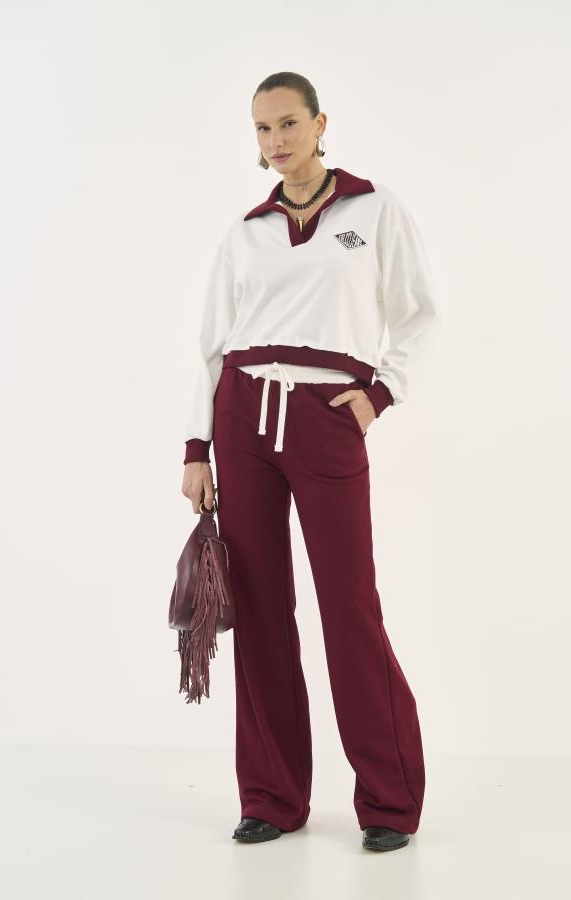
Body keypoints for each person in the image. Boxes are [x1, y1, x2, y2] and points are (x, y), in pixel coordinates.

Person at [181, 71, 442, 852]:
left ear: (320, 124)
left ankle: (389, 800)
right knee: (261, 610)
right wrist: (197, 448)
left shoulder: (374, 208)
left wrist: (379, 394)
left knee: (349, 605)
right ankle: (271, 796)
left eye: (289, 123)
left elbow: (420, 314)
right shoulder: (246, 231)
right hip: (243, 417)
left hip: (328, 418)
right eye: (263, 129)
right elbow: (210, 347)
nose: (277, 141)